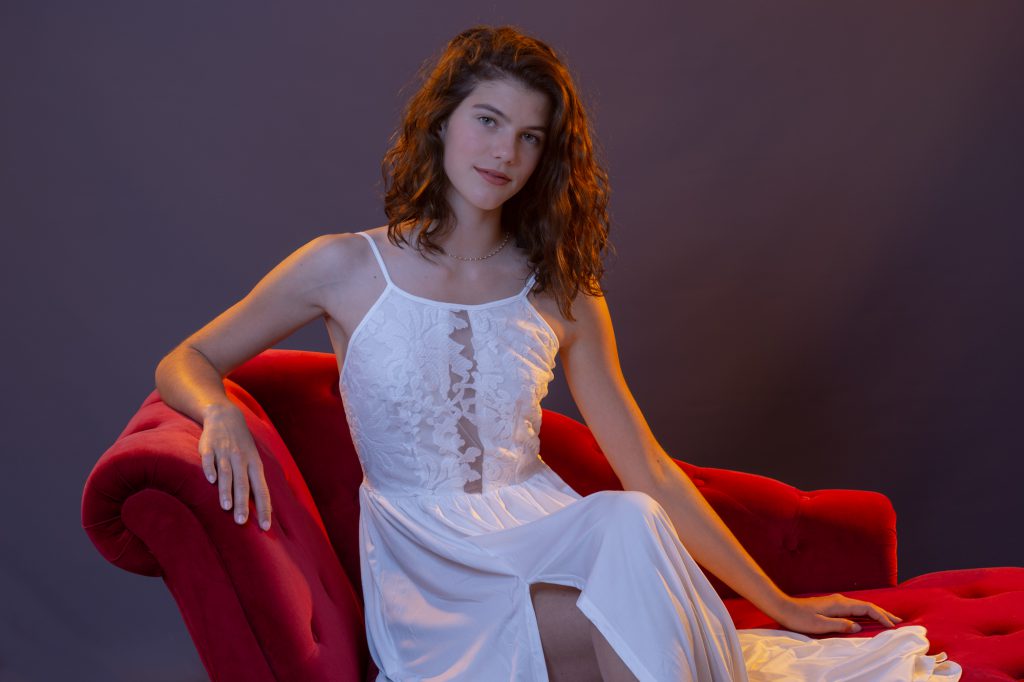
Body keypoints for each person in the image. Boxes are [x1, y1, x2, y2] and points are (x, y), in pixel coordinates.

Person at [155, 24, 961, 682]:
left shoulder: (561, 292)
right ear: (442, 123)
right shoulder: (341, 266)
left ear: (547, 158)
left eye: (530, 137)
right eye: (488, 121)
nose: (504, 152)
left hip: (549, 535)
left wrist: (779, 602)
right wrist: (216, 407)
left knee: (629, 518)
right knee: (635, 596)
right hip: (429, 569)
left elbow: (644, 464)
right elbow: (187, 358)